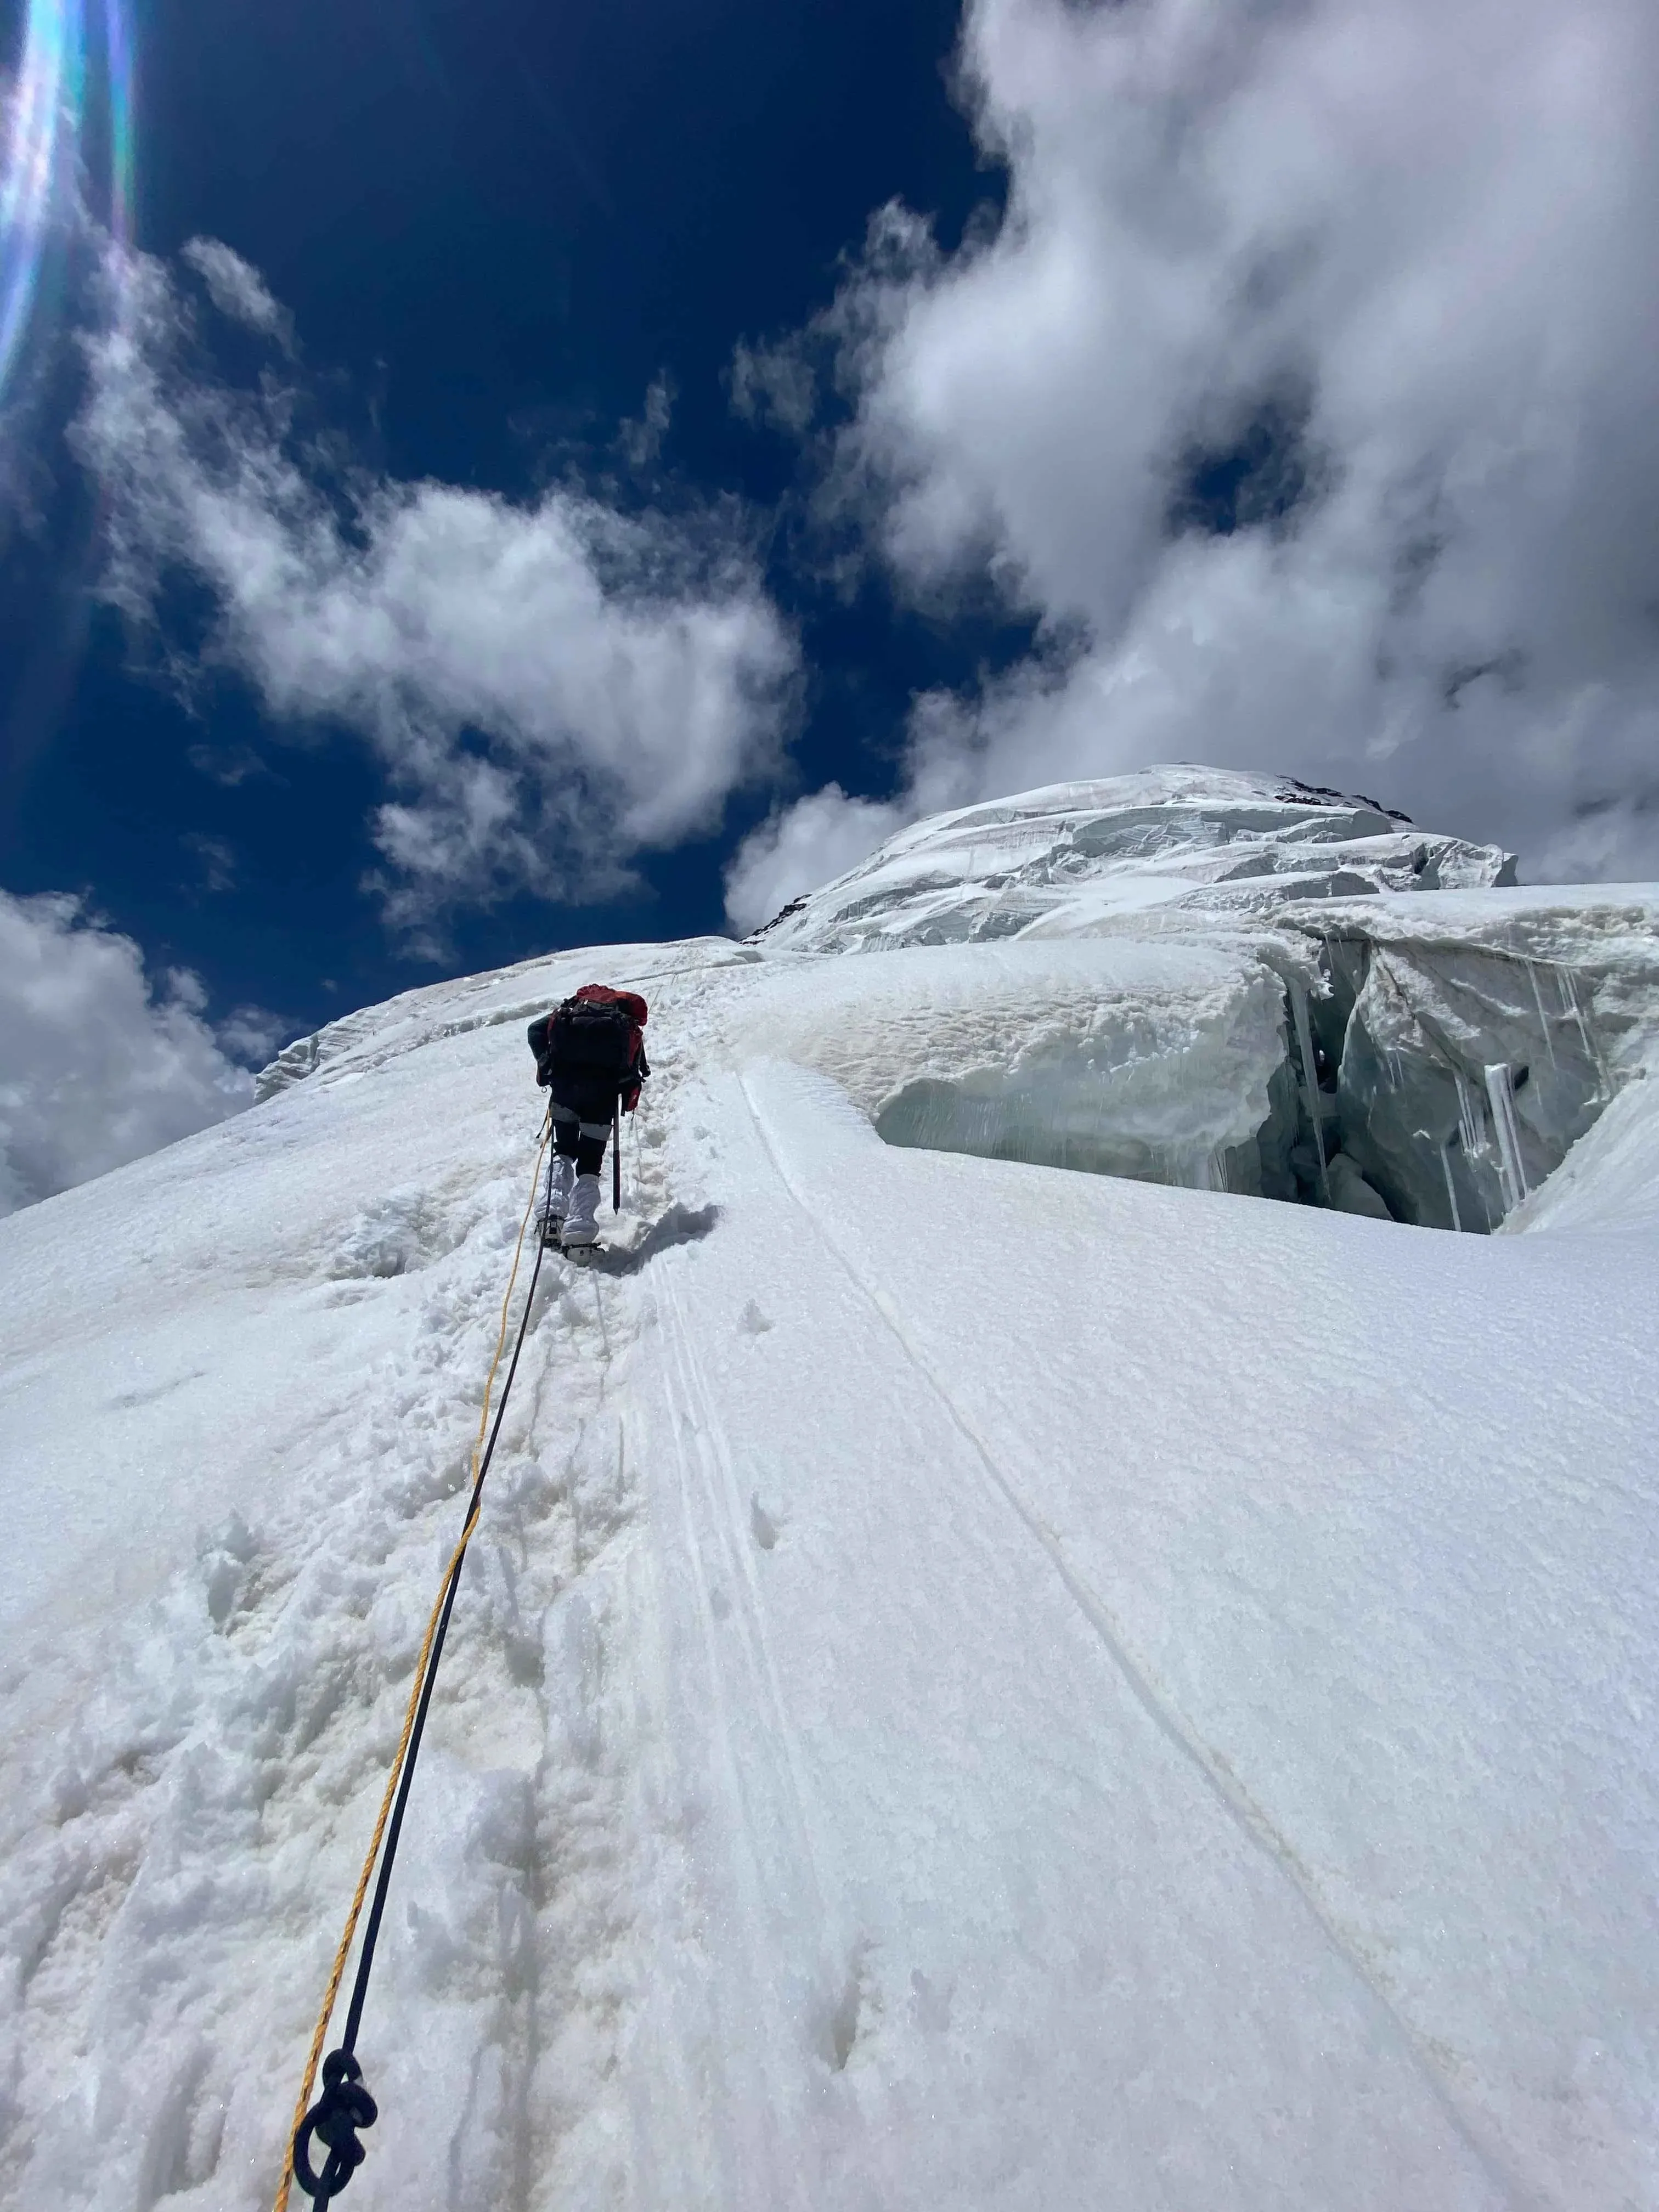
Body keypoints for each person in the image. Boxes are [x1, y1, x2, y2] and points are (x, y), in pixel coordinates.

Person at [526, 985, 650, 1248]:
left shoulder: (570, 1011)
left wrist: (546, 1063)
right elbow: (636, 1071)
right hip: (602, 1100)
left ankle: (551, 1216)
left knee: (564, 1151)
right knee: (590, 1164)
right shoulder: (625, 1024)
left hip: (564, 1092)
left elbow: (535, 1030)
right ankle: (579, 1234)